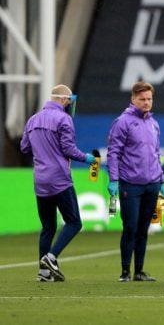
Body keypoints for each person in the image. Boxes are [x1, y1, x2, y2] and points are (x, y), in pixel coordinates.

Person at [20, 84, 96, 282]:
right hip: (60, 179)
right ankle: (51, 258)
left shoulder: (33, 119)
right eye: (69, 100)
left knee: (48, 227)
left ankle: (44, 273)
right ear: (63, 100)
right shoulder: (64, 119)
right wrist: (87, 158)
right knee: (74, 222)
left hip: (40, 180)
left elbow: (24, 148)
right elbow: (69, 150)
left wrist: (42, 151)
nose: (70, 104)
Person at [107, 82, 164, 282]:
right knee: (130, 227)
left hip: (152, 184)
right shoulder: (122, 122)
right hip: (130, 184)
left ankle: (139, 271)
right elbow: (113, 153)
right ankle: (125, 272)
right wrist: (113, 179)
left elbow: (156, 154)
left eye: (149, 99)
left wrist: (161, 180)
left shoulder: (153, 123)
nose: (146, 102)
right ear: (133, 99)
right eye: (142, 99)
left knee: (143, 228)